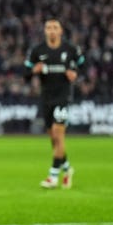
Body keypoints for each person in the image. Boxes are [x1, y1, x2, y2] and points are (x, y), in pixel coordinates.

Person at [24, 19, 85, 189]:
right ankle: (67, 168)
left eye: (55, 28)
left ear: (61, 31)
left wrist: (76, 74)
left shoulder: (70, 49)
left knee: (59, 135)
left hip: (63, 98)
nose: (52, 31)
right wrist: (33, 71)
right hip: (46, 98)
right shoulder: (38, 51)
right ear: (44, 31)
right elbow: (25, 73)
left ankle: (53, 177)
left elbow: (83, 65)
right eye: (48, 28)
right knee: (54, 140)